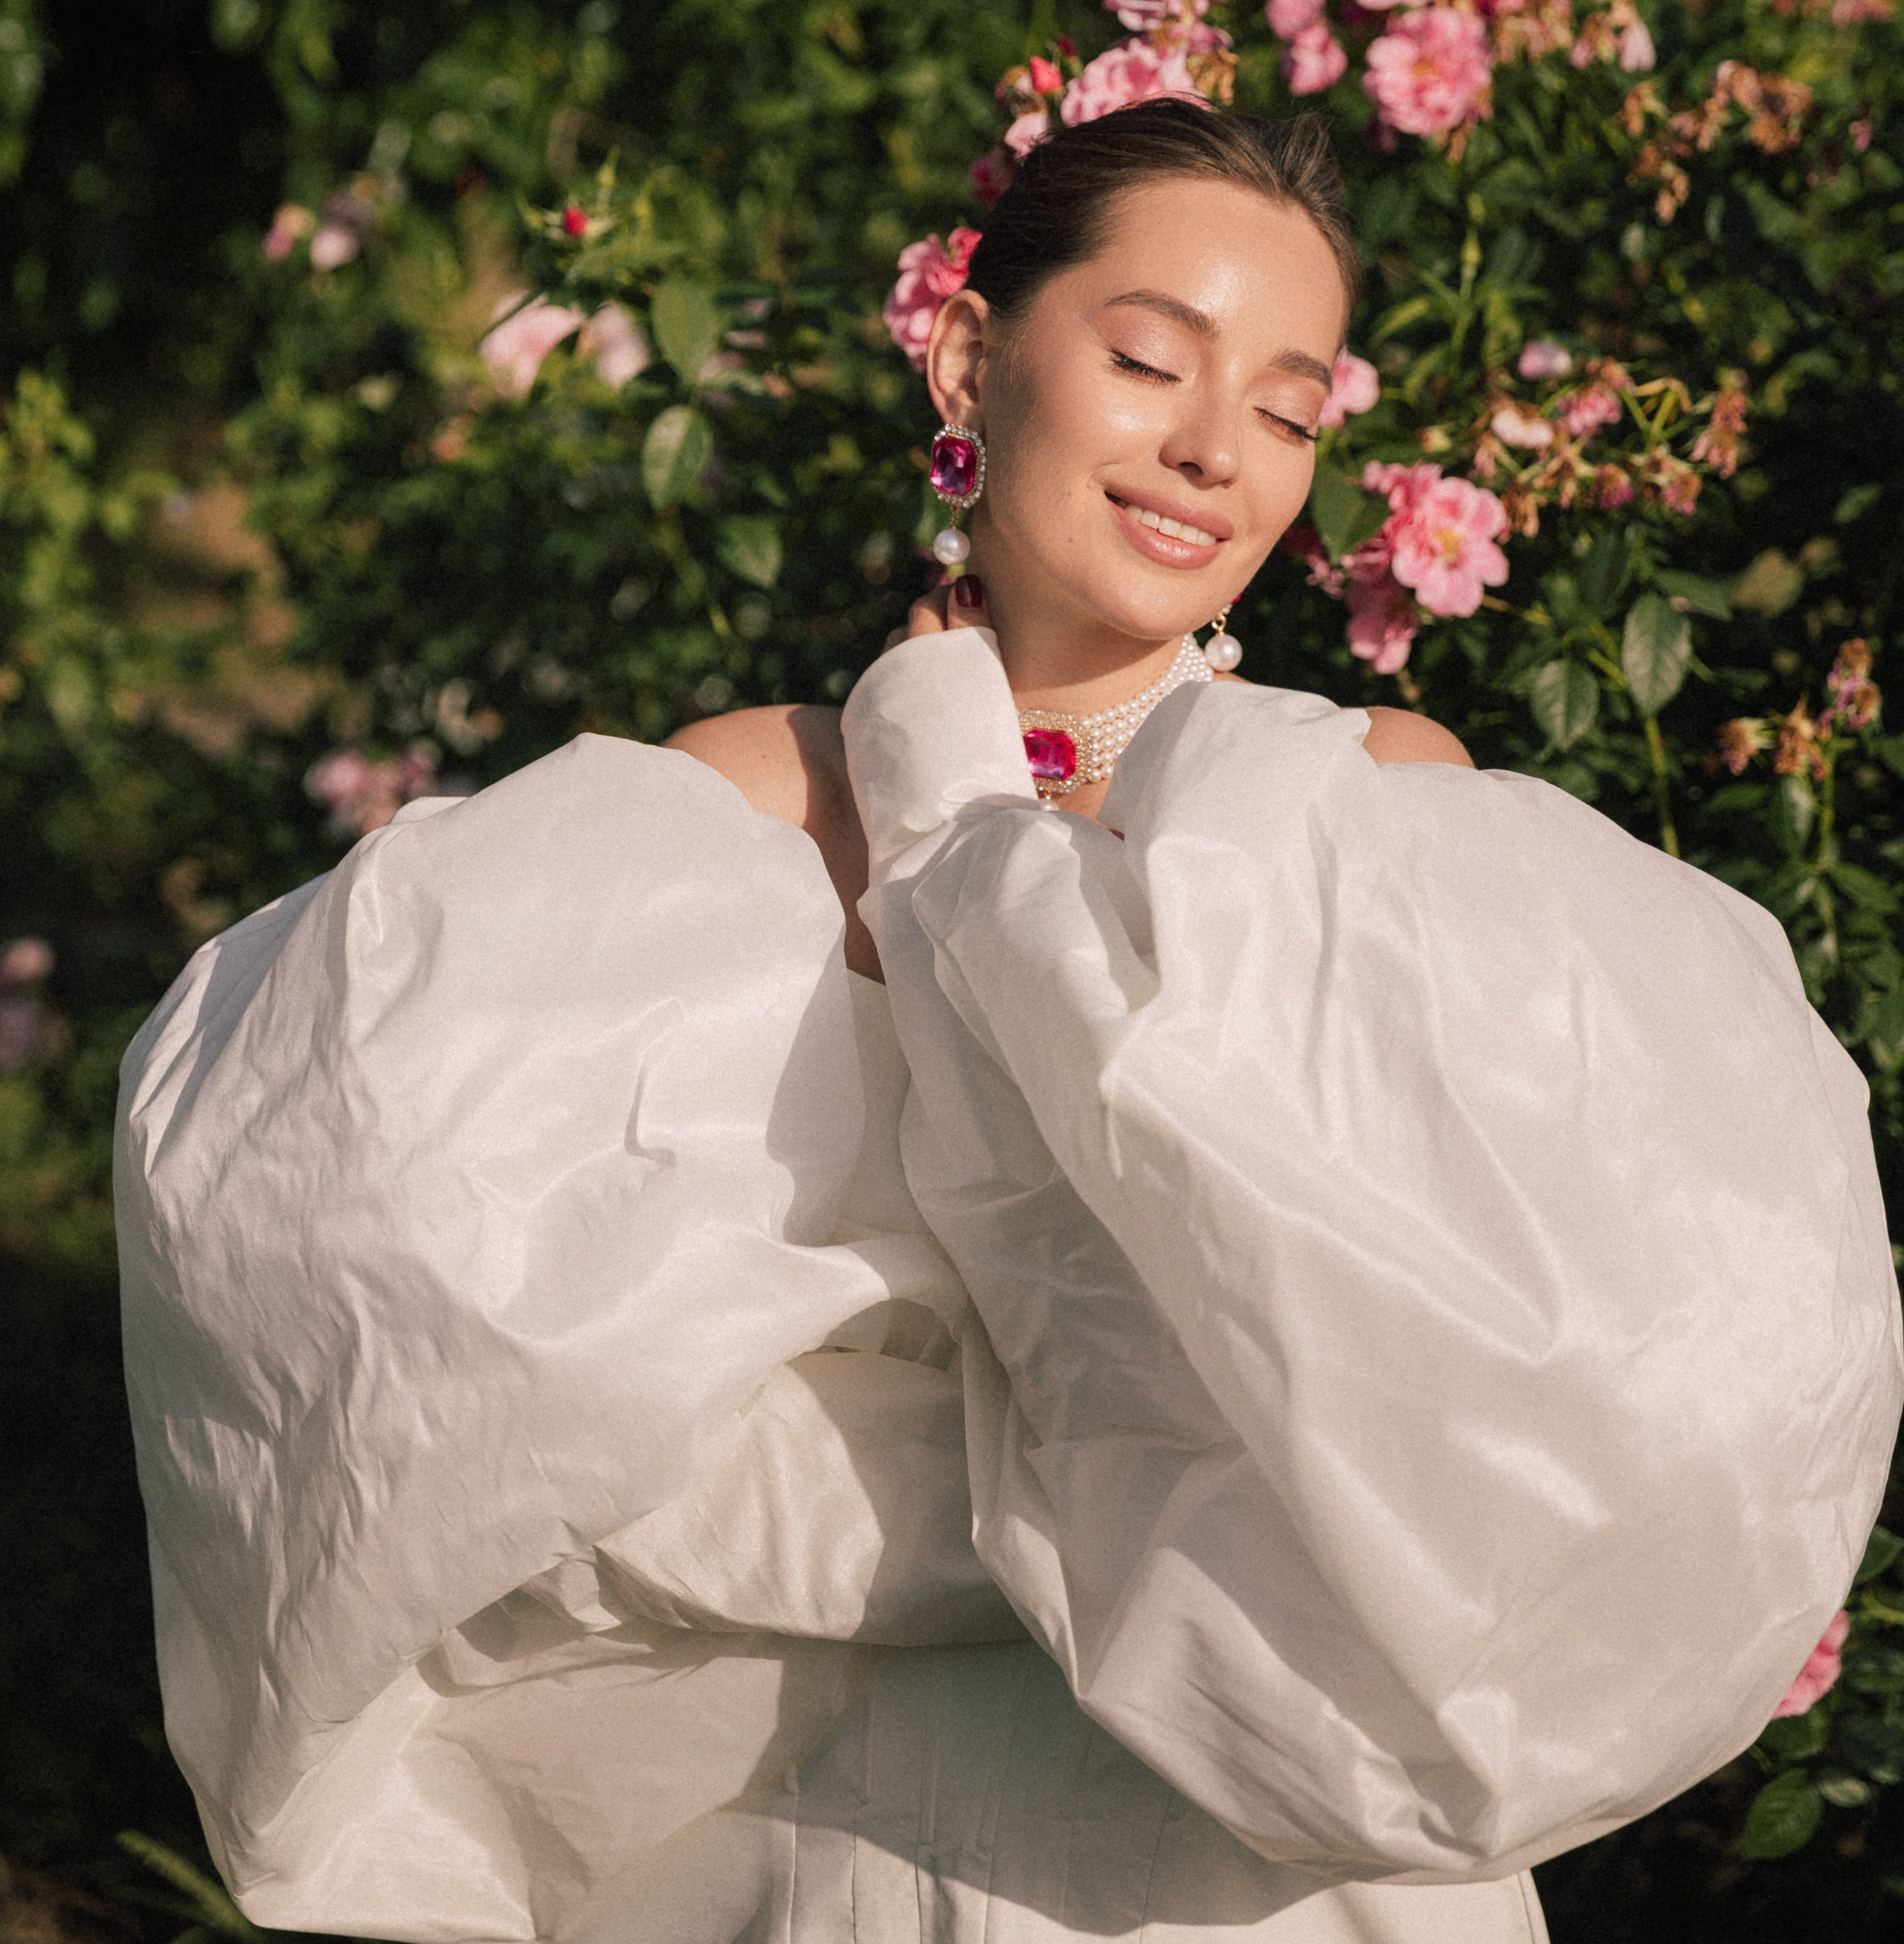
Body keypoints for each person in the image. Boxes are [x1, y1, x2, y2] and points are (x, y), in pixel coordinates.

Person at [116, 104, 1900, 1944]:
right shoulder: (744, 808)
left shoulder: (1374, 816)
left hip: (1274, 1874)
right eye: (1148, 359)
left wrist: (907, 1439)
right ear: (969, 357)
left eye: (1287, 411)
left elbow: (1554, 1378)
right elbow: (336, 1252)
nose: (1213, 448)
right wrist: (1036, 1493)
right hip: (817, 1835)